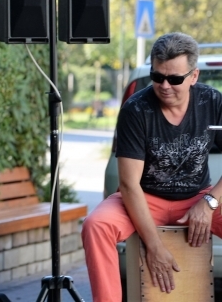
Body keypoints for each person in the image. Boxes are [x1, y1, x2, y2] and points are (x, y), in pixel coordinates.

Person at [82, 32, 222, 301]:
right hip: (144, 198)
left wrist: (209, 203)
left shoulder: (213, 101)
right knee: (95, 226)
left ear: (194, 76)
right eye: (157, 76)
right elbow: (128, 184)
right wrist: (154, 247)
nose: (165, 85)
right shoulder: (136, 109)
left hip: (197, 197)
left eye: (175, 79)